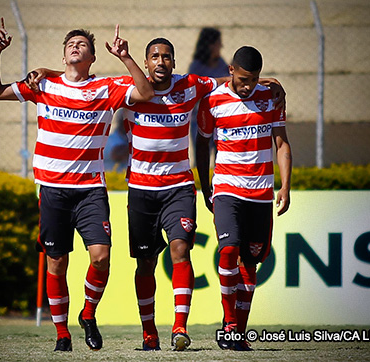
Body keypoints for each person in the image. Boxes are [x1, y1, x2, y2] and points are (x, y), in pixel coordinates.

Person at [28, 37, 285, 352]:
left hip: (179, 187)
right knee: (146, 263)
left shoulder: (190, 86)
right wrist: (49, 72)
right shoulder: (130, 90)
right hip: (141, 190)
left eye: (167, 56)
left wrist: (264, 83)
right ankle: (149, 333)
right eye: (154, 56)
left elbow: (228, 81)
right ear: (146, 63)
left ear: (174, 63)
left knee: (181, 251)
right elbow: (81, 81)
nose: (161, 61)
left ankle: (180, 327)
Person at [0, 19, 154, 352]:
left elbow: (146, 92)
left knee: (101, 256)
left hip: (90, 190)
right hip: (52, 190)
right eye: (71, 45)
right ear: (63, 56)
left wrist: (125, 57)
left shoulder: (106, 88)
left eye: (83, 46)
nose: (76, 47)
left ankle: (88, 315)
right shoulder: (43, 85)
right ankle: (62, 334)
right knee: (56, 263)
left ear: (92, 58)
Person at [195, 46, 292, 351]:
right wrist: (205, 185)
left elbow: (282, 144)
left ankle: (240, 333)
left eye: (255, 79)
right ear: (232, 70)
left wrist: (285, 186)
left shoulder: (271, 98)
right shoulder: (213, 101)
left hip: (261, 193)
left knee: (250, 264)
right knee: (228, 251)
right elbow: (201, 144)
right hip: (227, 189)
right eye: (244, 78)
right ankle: (229, 324)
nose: (248, 85)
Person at [187, 27, 230, 167]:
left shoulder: (222, 64)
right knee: (201, 154)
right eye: (218, 43)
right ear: (210, 45)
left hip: (220, 117)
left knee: (222, 156)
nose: (221, 46)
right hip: (200, 118)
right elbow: (194, 92)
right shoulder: (196, 67)